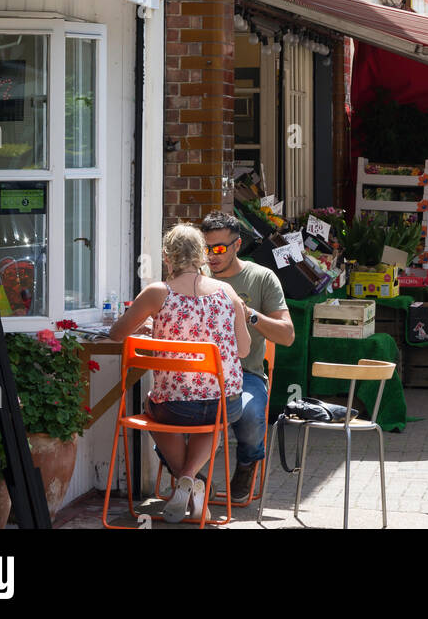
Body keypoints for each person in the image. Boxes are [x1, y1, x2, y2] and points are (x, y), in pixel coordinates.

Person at [108, 222, 251, 523]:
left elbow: (116, 333)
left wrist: (149, 326)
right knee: (211, 419)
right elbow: (244, 351)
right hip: (225, 404)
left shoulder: (159, 293)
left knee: (154, 407)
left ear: (166, 257)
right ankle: (191, 486)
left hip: (175, 407)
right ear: (202, 256)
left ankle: (185, 481)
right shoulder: (227, 292)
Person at [201, 210, 296, 502]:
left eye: (218, 249)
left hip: (245, 372)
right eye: (205, 249)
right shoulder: (195, 276)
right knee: (163, 408)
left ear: (237, 245)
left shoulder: (261, 277)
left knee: (252, 414)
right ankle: (190, 478)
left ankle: (245, 467)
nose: (211, 256)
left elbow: (287, 335)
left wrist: (250, 315)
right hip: (198, 372)